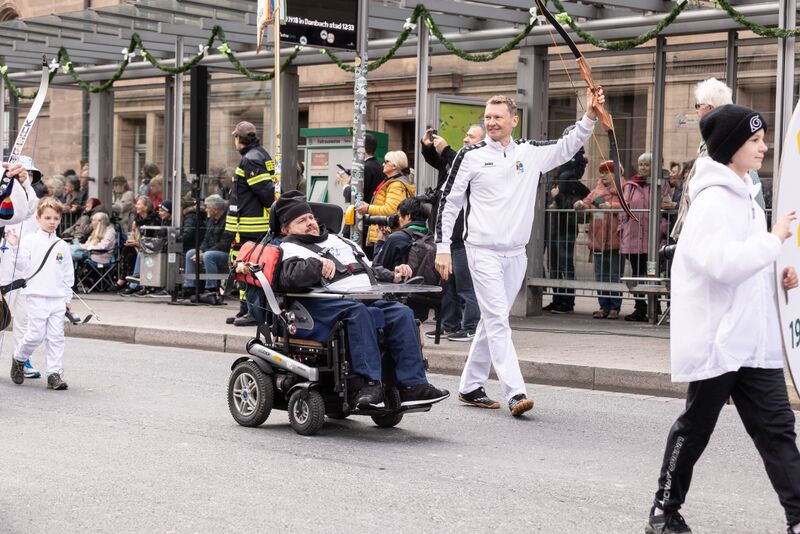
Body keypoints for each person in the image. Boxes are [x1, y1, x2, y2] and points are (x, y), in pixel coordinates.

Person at [645, 104, 800, 534]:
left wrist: (778, 274)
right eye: (754, 140)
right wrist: (773, 241)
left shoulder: (745, 195)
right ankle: (663, 510)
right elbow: (722, 264)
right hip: (720, 339)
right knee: (695, 428)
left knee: (777, 430)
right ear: (731, 147)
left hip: (754, 338)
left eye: (763, 138)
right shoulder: (713, 200)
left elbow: (748, 262)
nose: (763, 146)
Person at [435, 90, 602, 416]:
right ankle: (516, 392)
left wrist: (591, 115)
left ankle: (470, 386)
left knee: (492, 319)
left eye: (498, 117)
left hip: (516, 254)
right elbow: (449, 201)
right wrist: (442, 249)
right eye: (488, 116)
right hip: (481, 250)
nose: (491, 122)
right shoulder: (469, 156)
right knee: (498, 320)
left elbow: (567, 146)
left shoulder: (530, 152)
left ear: (514, 120)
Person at [254, 191, 449, 409]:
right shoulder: (286, 248)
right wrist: (315, 265)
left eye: (310, 218)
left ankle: (413, 386)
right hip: (318, 306)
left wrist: (393, 274)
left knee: (401, 313)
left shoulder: (342, 241)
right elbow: (288, 278)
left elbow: (369, 268)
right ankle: (368, 385)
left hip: (361, 299)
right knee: (359, 313)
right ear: (285, 229)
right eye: (302, 221)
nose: (310, 223)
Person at [672, 78, 765, 241]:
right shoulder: (713, 150)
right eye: (755, 140)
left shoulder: (720, 153)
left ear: (709, 108)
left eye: (698, 106)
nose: (762, 148)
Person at [420, 125, 483, 342]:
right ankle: (449, 325)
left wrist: (446, 149)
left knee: (466, 285)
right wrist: (427, 147)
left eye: (471, 136)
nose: (466, 139)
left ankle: (471, 326)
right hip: (446, 236)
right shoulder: (454, 161)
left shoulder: (478, 162)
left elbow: (458, 162)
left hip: (463, 236)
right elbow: (437, 161)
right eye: (465, 135)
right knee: (447, 286)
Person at [7, 197, 74, 391]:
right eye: (47, 217)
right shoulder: (29, 241)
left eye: (55, 218)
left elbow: (67, 275)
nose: (52, 221)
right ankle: (19, 357)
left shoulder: (62, 245)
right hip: (35, 296)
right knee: (35, 335)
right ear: (38, 218)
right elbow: (22, 267)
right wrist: (15, 248)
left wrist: (67, 298)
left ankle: (54, 374)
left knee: (56, 337)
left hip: (57, 299)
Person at [225, 121, 278, 327]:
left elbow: (265, 192)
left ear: (239, 139)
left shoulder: (251, 159)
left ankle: (253, 313)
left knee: (247, 267)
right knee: (241, 267)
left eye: (235, 137)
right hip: (249, 225)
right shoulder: (259, 155)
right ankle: (245, 310)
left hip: (250, 226)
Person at [0, 159, 45, 380]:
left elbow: (29, 208)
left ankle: (20, 360)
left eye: (29, 175)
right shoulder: (4, 200)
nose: (24, 177)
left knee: (24, 320)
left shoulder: (32, 203)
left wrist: (23, 183)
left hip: (24, 274)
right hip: (3, 272)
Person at [619, 153, 671, 322]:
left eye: (646, 165)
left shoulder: (661, 184)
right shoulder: (631, 185)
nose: (642, 168)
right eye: (640, 164)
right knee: (636, 274)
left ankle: (655, 308)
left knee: (652, 274)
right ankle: (640, 308)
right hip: (634, 237)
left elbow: (665, 207)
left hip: (653, 238)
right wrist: (623, 225)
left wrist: (662, 229)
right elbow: (624, 207)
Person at [545, 139, 590, 314]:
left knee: (564, 264)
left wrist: (556, 197)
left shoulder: (567, 178)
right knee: (554, 264)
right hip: (555, 227)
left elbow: (567, 203)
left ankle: (567, 301)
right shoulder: (557, 177)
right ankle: (558, 299)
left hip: (565, 227)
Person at [574, 161, 623, 319]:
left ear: (616, 173)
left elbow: (627, 205)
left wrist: (612, 206)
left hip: (615, 239)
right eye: (601, 172)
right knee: (600, 274)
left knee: (614, 274)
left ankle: (615, 307)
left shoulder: (624, 188)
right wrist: (580, 204)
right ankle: (603, 306)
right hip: (597, 239)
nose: (603, 175)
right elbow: (587, 202)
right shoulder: (596, 190)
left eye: (607, 172)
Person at [355, 150, 415, 252]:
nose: (383, 164)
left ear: (394, 166)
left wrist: (368, 208)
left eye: (386, 161)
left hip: (387, 235)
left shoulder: (396, 184)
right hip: (386, 233)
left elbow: (391, 210)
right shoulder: (394, 182)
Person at [183, 194, 229, 301]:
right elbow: (205, 239)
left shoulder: (227, 221)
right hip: (211, 251)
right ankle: (190, 286)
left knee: (208, 256)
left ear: (215, 209)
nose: (206, 209)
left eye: (207, 207)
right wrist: (200, 250)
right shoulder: (211, 220)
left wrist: (204, 253)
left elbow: (224, 244)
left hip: (225, 253)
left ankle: (211, 288)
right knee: (191, 253)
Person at [362, 133, 384, 204]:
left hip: (366, 210)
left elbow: (360, 194)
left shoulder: (366, 167)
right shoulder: (379, 165)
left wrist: (346, 185)